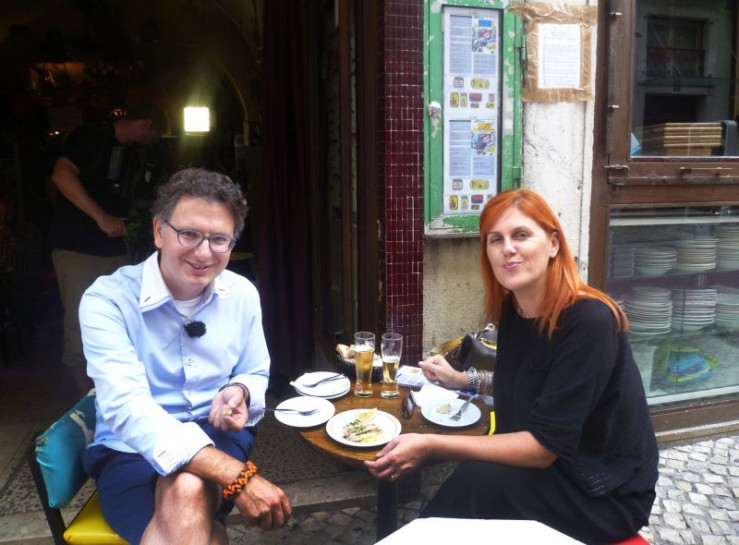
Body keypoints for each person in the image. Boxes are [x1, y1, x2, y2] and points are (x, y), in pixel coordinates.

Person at [365, 189, 658, 544]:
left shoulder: (590, 322)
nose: (508, 248)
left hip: (601, 492)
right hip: (552, 472)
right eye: (495, 239)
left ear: (553, 244)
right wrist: (462, 379)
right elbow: (528, 381)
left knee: (476, 480)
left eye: (521, 235)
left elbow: (542, 448)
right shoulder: (514, 308)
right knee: (474, 481)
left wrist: (431, 444)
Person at [79, 168, 291, 544]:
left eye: (219, 239)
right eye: (189, 234)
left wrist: (240, 391)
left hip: (218, 433)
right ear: (159, 231)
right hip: (130, 448)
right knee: (191, 496)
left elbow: (256, 371)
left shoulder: (242, 293)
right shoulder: (107, 300)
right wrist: (238, 477)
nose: (204, 252)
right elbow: (126, 408)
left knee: (186, 487)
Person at [49, 105, 167, 394]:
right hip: (79, 248)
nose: (153, 142)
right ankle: (86, 401)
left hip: (115, 247)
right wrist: (101, 217)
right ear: (145, 123)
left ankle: (119, 391)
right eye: (154, 135)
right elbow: (61, 176)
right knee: (81, 322)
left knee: (127, 317)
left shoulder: (130, 154)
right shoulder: (91, 135)